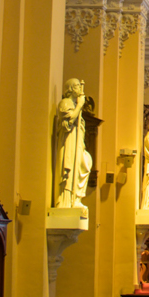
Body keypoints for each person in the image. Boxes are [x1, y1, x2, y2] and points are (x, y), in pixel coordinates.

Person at [52, 78, 93, 207]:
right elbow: (68, 121)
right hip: (68, 142)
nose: (80, 89)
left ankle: (76, 198)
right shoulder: (65, 103)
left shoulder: (76, 106)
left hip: (77, 142)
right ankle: (66, 200)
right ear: (70, 89)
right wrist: (80, 105)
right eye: (76, 86)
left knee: (85, 163)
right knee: (70, 167)